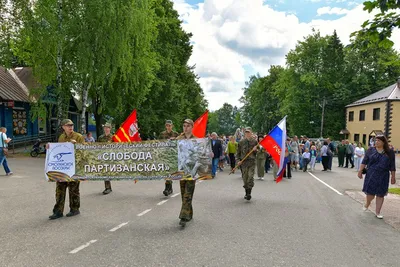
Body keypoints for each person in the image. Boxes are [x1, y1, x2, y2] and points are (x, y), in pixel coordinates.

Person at [49, 119, 84, 220]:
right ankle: (58, 211)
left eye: (72, 125)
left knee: (74, 190)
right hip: (63, 168)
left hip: (74, 167)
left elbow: (84, 152)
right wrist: (49, 148)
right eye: (68, 125)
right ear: (63, 127)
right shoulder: (61, 137)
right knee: (59, 189)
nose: (71, 127)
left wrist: (76, 145)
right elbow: (58, 150)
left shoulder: (78, 137)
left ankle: (74, 209)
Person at [358, 135, 396, 219]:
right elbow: (364, 161)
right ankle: (367, 203)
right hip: (371, 174)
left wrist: (393, 177)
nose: (376, 142)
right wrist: (360, 171)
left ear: (383, 142)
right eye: (376, 140)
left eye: (378, 140)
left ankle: (378, 212)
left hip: (383, 176)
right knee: (370, 194)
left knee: (380, 194)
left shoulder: (389, 152)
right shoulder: (370, 150)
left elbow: (392, 166)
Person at [177, 119, 198, 227]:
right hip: (181, 171)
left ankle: (183, 217)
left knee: (187, 194)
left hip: (192, 171)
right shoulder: (178, 139)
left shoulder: (197, 140)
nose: (185, 128)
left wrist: (210, 154)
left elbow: (202, 153)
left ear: (192, 127)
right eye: (184, 126)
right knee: (183, 193)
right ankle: (189, 213)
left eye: (188, 126)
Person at [158, 120, 179, 196]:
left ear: (172, 126)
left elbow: (180, 143)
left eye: (169, 125)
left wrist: (175, 140)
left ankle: (168, 188)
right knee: (166, 172)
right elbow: (158, 143)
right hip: (165, 155)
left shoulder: (176, 134)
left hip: (172, 156)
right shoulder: (162, 134)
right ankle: (168, 188)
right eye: (167, 125)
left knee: (169, 172)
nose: (168, 127)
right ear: (165, 126)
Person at [237, 127, 257, 200]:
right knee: (245, 179)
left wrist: (255, 150)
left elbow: (259, 151)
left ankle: (249, 194)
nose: (247, 134)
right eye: (246, 132)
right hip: (244, 163)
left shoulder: (255, 141)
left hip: (251, 162)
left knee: (250, 177)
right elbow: (238, 153)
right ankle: (246, 192)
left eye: (249, 132)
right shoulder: (241, 142)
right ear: (244, 133)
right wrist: (238, 161)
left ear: (251, 133)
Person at [97, 122, 114, 194]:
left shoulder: (113, 137)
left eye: (108, 128)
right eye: (105, 128)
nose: (106, 129)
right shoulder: (100, 138)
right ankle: (108, 187)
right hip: (103, 157)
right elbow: (96, 147)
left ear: (110, 129)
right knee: (105, 172)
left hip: (111, 157)